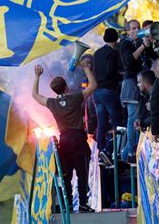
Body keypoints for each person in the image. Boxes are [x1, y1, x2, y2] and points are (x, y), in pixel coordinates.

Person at [32, 60, 96, 213]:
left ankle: (67, 205)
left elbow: (35, 95)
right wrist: (86, 68)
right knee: (82, 174)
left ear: (54, 91)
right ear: (66, 87)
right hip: (79, 140)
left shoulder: (52, 103)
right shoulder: (74, 98)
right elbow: (93, 86)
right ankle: (83, 204)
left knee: (66, 176)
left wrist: (36, 76)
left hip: (64, 142)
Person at [119, 19, 151, 162]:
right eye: (133, 28)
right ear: (128, 31)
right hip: (131, 82)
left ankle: (127, 154)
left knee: (138, 115)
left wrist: (147, 45)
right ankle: (131, 152)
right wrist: (143, 46)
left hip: (139, 81)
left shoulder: (138, 43)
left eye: (138, 27)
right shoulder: (126, 43)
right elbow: (128, 61)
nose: (137, 30)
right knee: (133, 117)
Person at [92, 28, 123, 160]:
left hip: (96, 92)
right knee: (117, 123)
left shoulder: (97, 53)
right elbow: (111, 71)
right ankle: (112, 151)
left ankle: (100, 152)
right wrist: (119, 78)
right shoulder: (113, 53)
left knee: (102, 124)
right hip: (109, 91)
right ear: (116, 40)